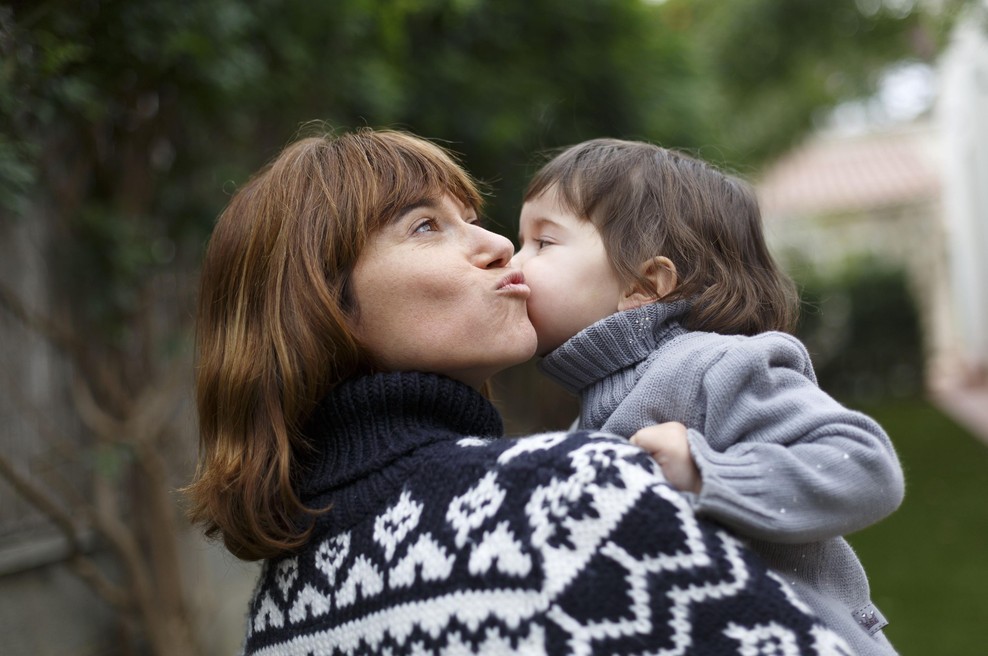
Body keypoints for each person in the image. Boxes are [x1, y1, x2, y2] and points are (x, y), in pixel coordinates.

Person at [186, 128, 854, 655]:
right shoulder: (572, 499)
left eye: (471, 217)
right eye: (425, 226)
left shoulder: (276, 613)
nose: (500, 245)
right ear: (322, 303)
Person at [512, 137, 906, 656]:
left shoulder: (711, 365)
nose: (512, 262)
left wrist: (707, 474)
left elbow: (865, 464)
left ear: (644, 283)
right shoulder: (588, 416)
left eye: (543, 243)